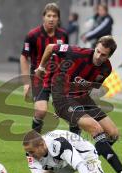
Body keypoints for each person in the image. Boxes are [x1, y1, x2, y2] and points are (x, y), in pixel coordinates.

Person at [35, 36, 122, 173]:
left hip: (82, 98)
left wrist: (78, 112)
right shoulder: (77, 53)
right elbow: (50, 47)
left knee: (113, 134)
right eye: (97, 51)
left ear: (109, 56)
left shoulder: (106, 69)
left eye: (103, 55)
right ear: (95, 47)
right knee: (96, 128)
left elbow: (90, 87)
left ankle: (78, 158)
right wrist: (41, 68)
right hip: (63, 98)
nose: (98, 56)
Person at [20, 3, 80, 135]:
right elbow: (24, 57)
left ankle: (77, 146)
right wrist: (25, 82)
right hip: (39, 79)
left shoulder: (63, 34)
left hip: (59, 79)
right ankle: (34, 146)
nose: (51, 19)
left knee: (71, 112)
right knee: (41, 111)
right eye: (49, 16)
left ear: (58, 18)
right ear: (43, 17)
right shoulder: (33, 35)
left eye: (54, 16)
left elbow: (66, 56)